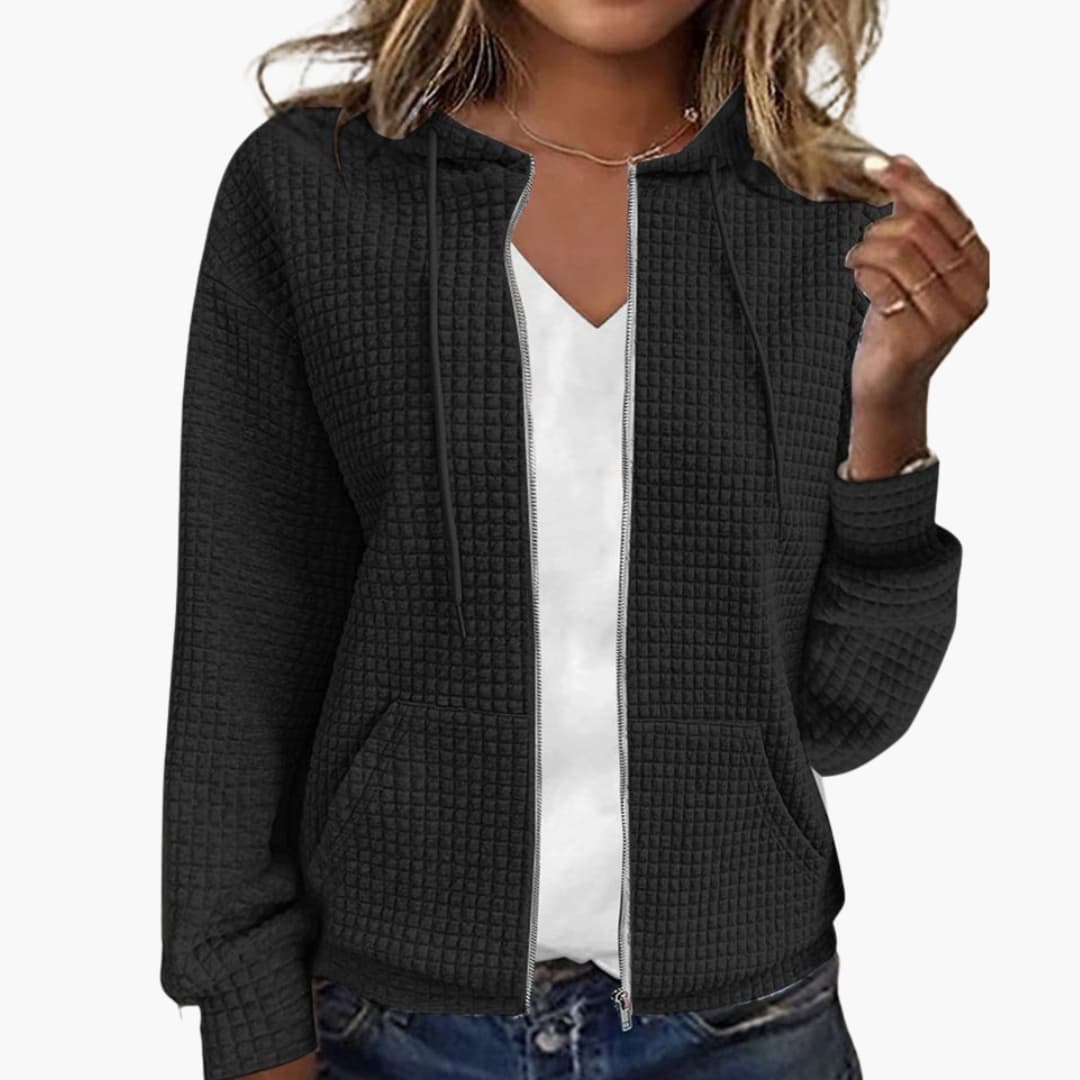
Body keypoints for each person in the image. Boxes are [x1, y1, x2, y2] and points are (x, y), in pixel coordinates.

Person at [160, 1, 987, 1077]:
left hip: (747, 1028)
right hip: (389, 1026)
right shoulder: (318, 188)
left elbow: (843, 715)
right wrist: (249, 1023)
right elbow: (241, 647)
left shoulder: (836, 225)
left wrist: (893, 402)